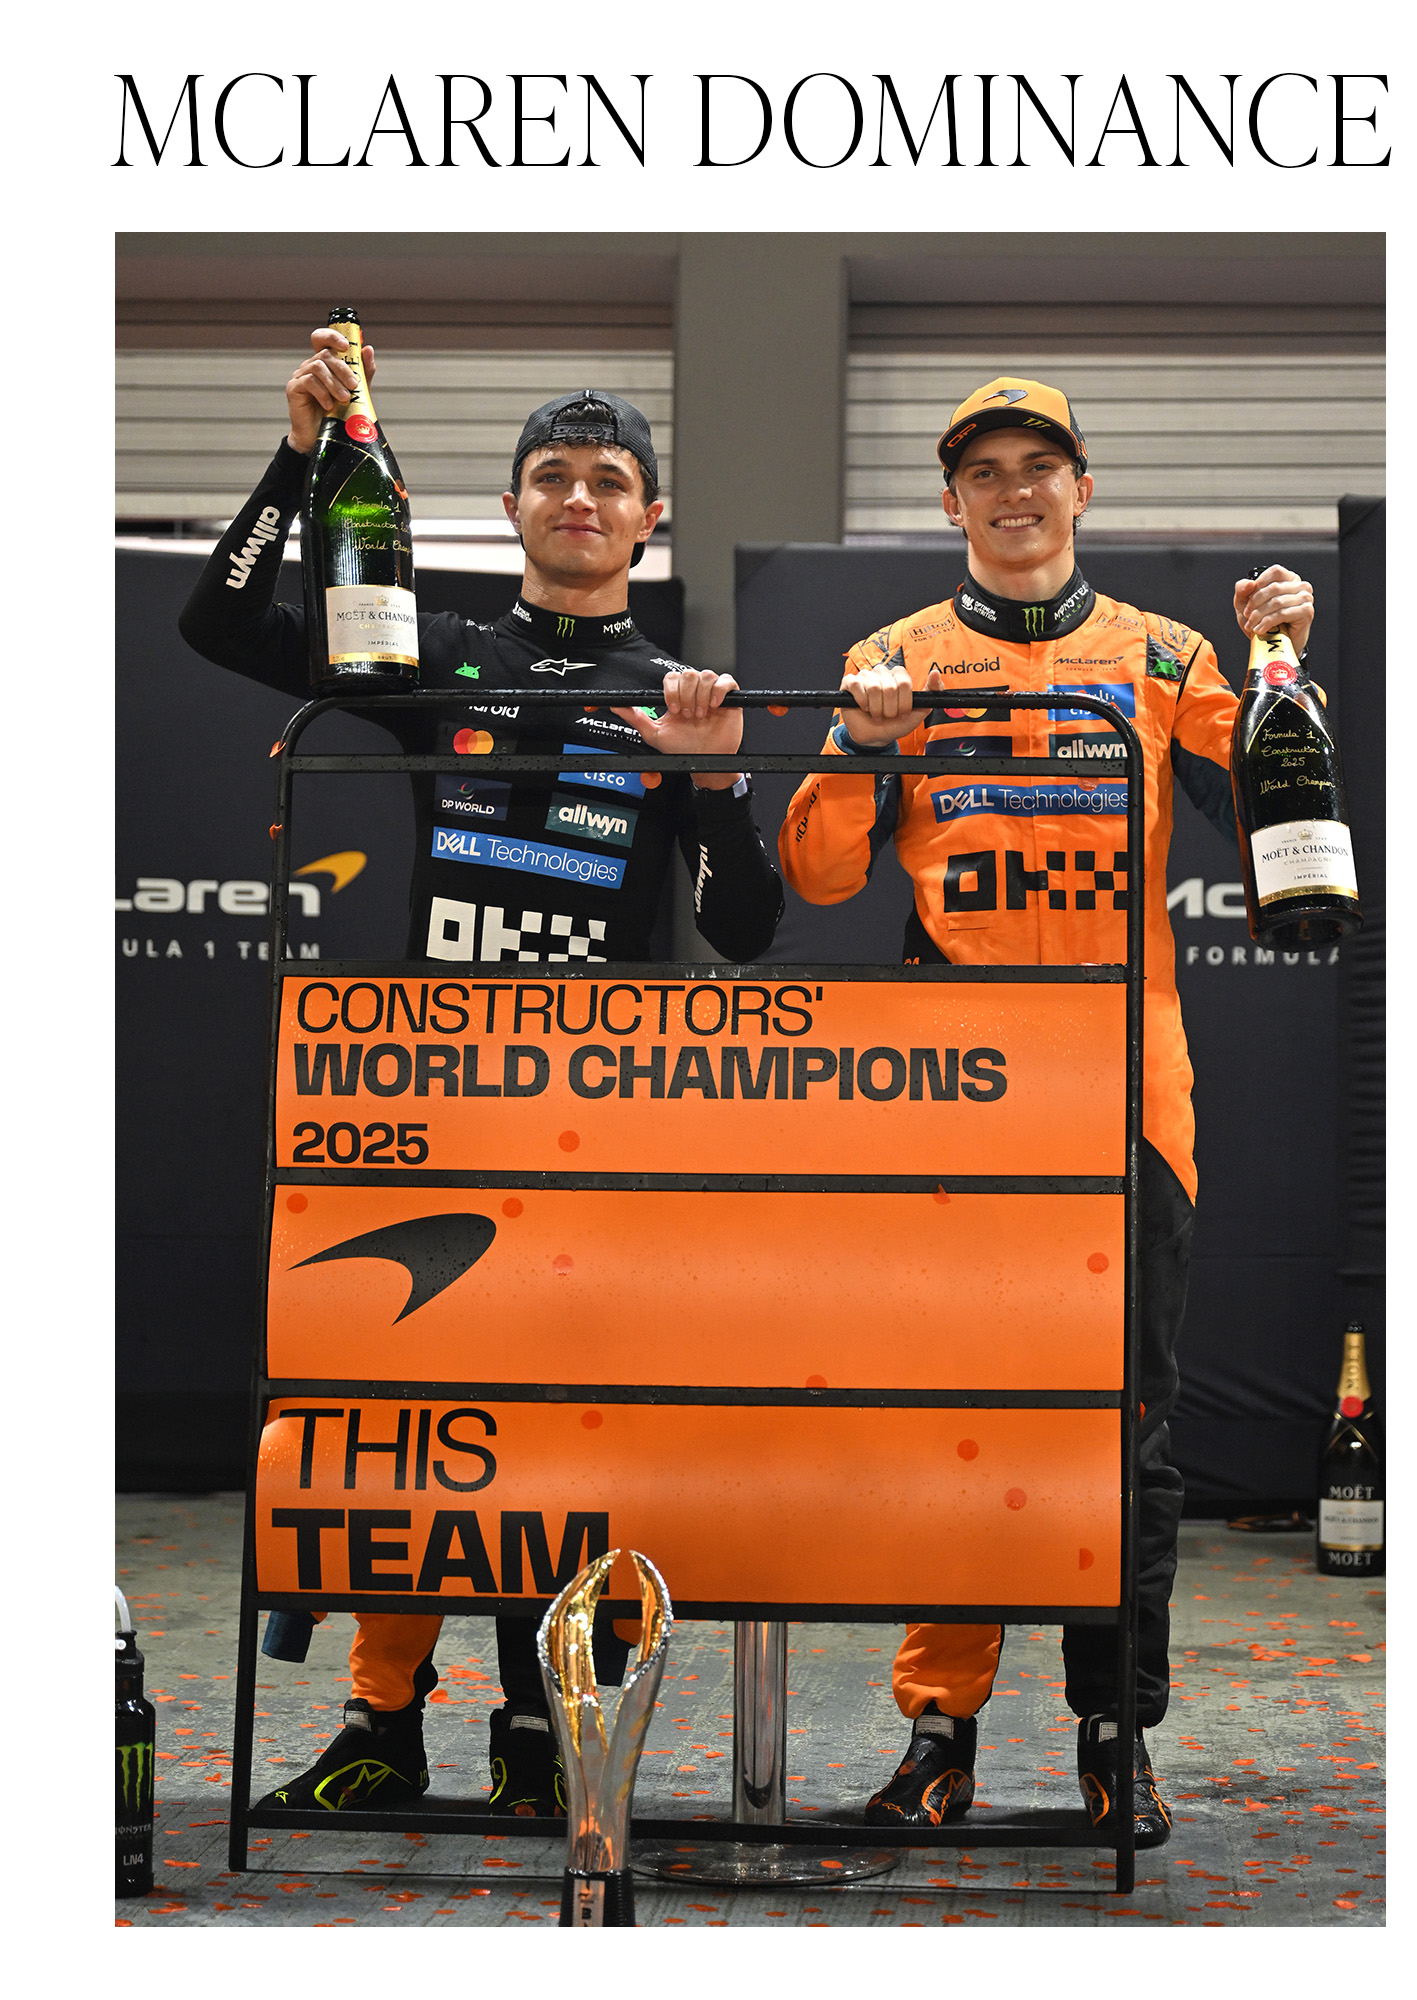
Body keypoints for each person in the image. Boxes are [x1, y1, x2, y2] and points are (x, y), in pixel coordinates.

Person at [180, 327, 784, 1817]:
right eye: (550, 476)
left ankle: (544, 1726)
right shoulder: (434, 653)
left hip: (602, 1132)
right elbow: (223, 619)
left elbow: (750, 927)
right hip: (431, 1103)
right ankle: (384, 1725)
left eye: (610, 480)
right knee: (409, 1423)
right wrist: (304, 455)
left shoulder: (677, 691)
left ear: (649, 519)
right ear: (511, 508)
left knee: (569, 1435)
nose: (579, 498)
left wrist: (708, 784)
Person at [777, 375, 1314, 1849]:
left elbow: (1286, 827)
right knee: (954, 1417)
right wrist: (865, 745)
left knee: (1124, 1431)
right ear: (952, 503)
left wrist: (1281, 666)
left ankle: (1108, 1734)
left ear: (1084, 490)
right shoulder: (890, 656)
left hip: (1129, 1096)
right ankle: (938, 1729)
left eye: (1042, 466)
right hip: (949, 1093)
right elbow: (820, 877)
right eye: (984, 472)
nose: (1015, 491)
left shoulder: (1165, 654)